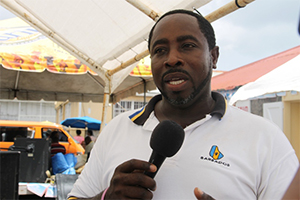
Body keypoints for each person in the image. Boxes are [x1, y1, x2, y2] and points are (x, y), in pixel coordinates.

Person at [68, 9, 299, 200]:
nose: (171, 59)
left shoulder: (264, 138)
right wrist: (105, 197)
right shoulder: (116, 130)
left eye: (187, 45)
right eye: (160, 51)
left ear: (214, 56)